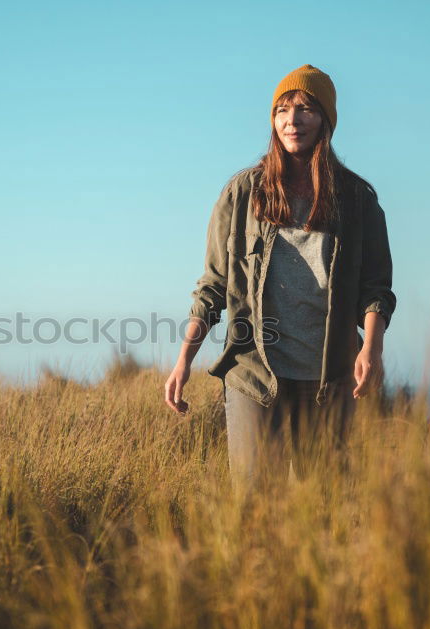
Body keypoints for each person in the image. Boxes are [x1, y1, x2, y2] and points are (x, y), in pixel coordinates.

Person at [163, 64, 397, 493]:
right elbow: (213, 285)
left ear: (326, 118)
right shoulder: (241, 194)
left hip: (329, 376)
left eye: (306, 108)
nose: (293, 120)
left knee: (321, 510)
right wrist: (184, 360)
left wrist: (372, 349)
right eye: (283, 109)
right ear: (273, 120)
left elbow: (376, 288)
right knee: (255, 505)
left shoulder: (357, 200)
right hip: (255, 372)